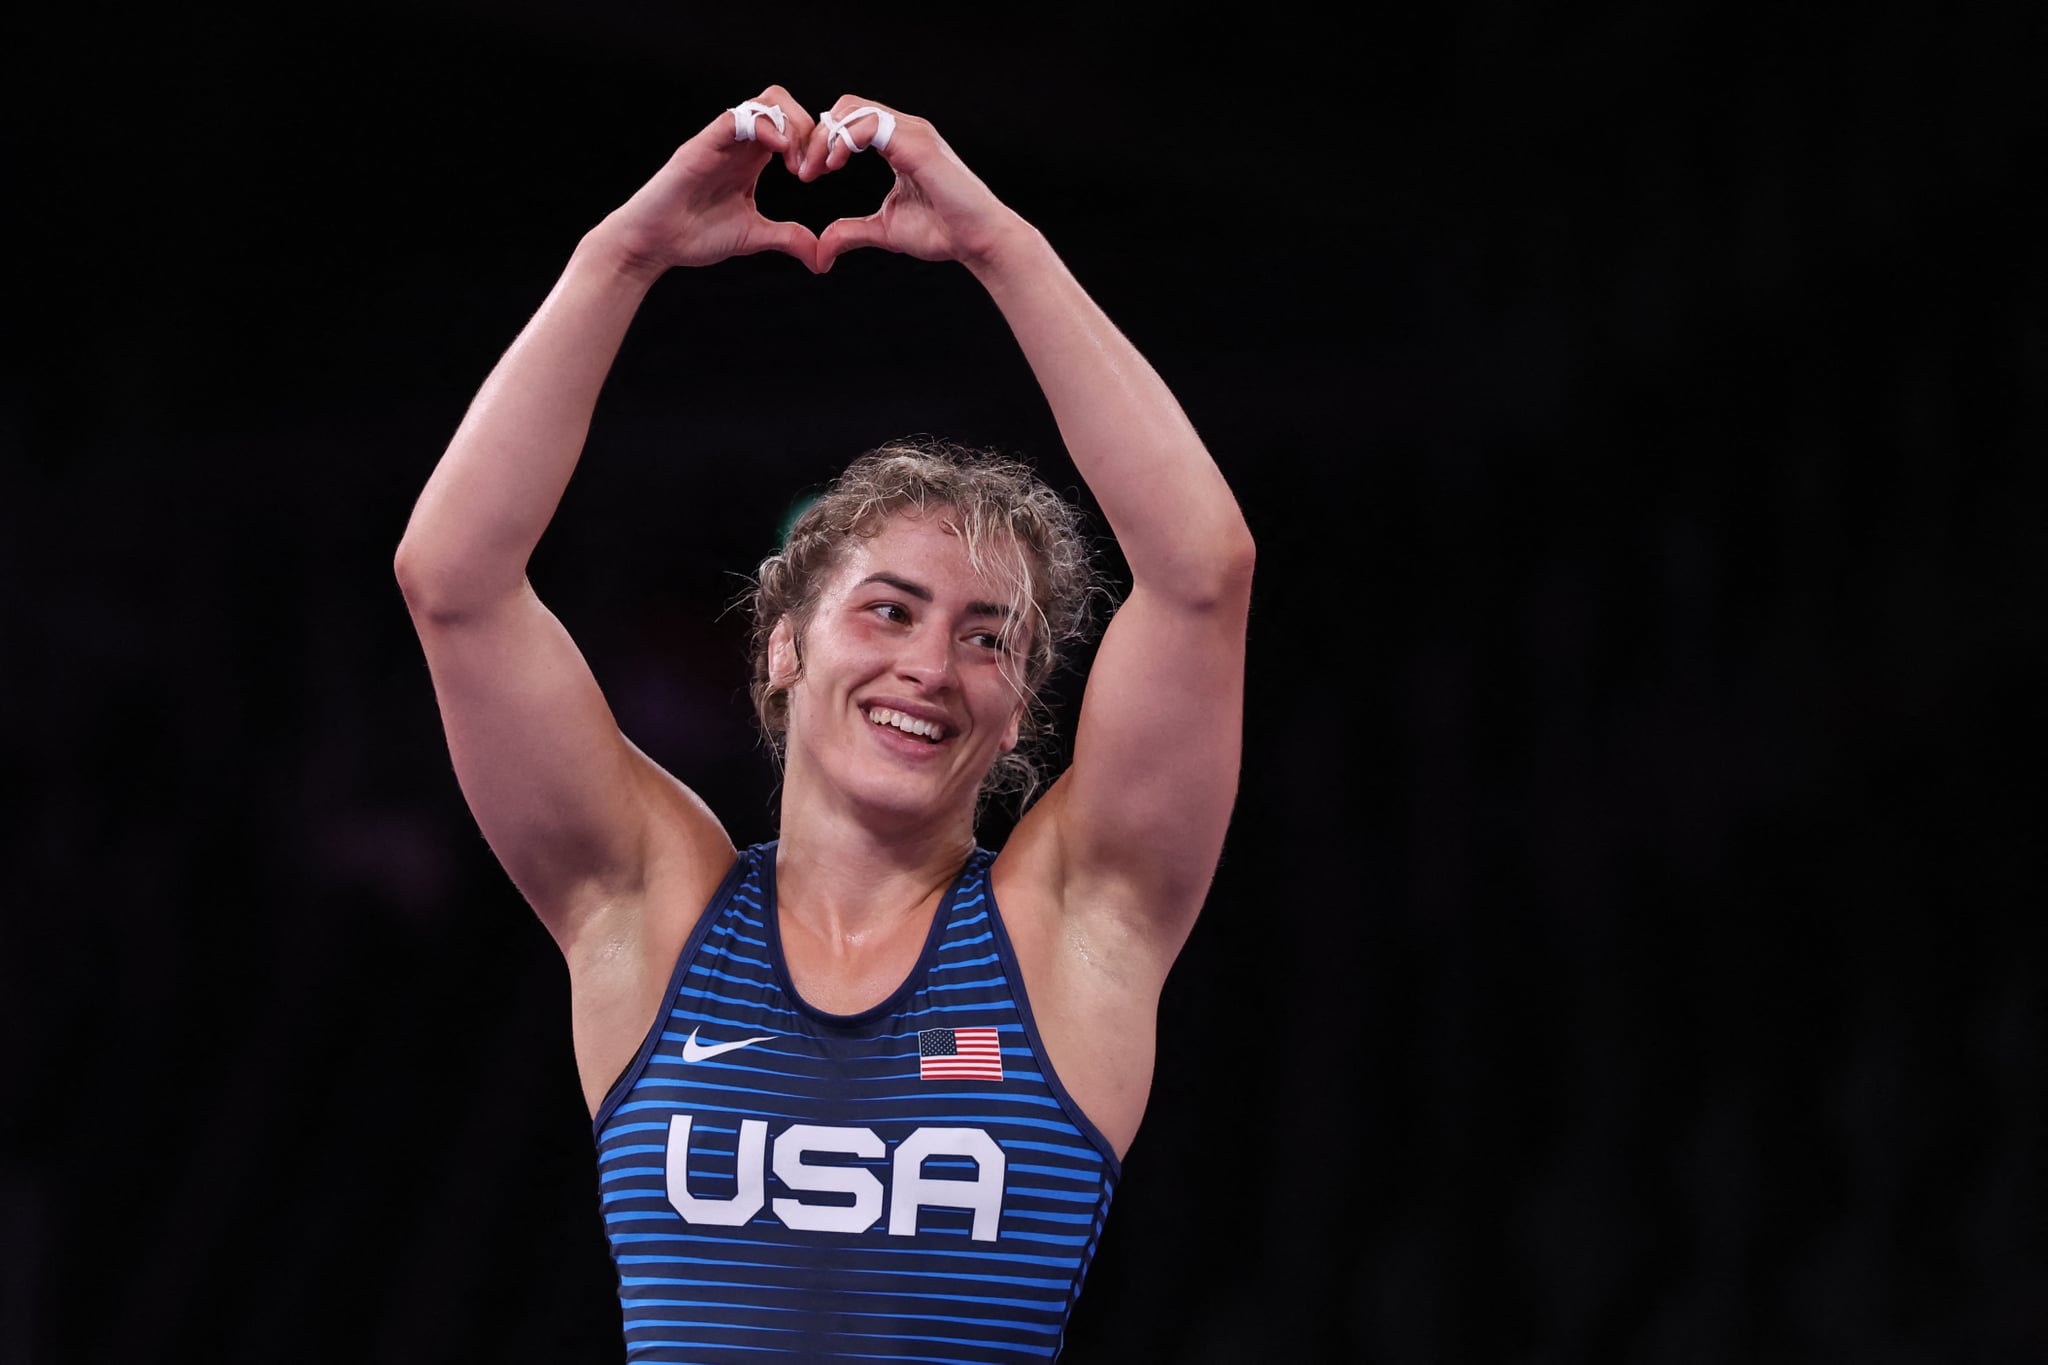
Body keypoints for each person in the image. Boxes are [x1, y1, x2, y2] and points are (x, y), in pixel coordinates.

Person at [394, 85, 1254, 1363]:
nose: (930, 667)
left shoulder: (1076, 927)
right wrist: (618, 255)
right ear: (784, 644)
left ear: (1020, 713)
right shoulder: (652, 907)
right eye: (889, 611)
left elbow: (1199, 574)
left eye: (986, 638)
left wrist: (999, 246)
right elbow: (452, 581)